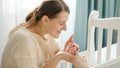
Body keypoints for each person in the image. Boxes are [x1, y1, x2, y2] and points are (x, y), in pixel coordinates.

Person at [1, 0, 90, 68]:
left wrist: (64, 51)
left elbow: (50, 61)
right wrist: (60, 56)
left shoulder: (47, 35)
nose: (65, 28)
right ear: (45, 20)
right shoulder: (24, 39)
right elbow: (55, 58)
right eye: (61, 23)